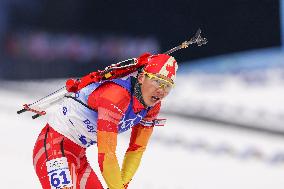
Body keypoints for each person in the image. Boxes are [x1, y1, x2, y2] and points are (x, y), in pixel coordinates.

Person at [32, 53, 178, 189]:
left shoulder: (153, 106)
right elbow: (106, 154)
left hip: (79, 155)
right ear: (141, 78)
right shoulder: (115, 96)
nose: (161, 90)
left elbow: (137, 149)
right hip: (53, 147)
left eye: (167, 86)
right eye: (158, 81)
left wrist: (122, 184)